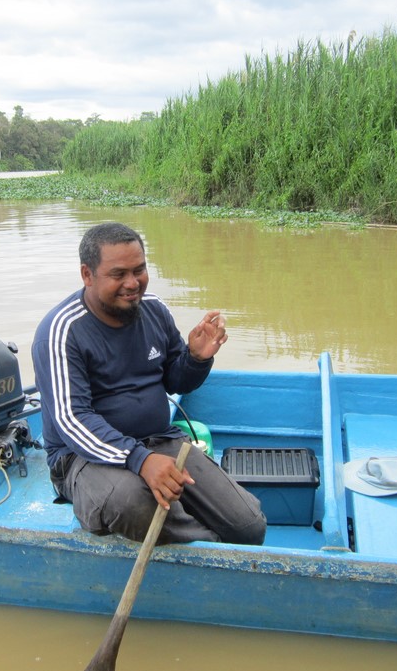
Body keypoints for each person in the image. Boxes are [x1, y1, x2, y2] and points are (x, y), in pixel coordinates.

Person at [31, 222, 267, 545]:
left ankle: (196, 535)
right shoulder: (61, 331)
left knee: (248, 524)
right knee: (134, 505)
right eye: (118, 274)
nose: (133, 283)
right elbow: (73, 422)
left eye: (139, 270)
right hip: (82, 457)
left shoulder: (154, 309)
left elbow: (174, 379)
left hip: (159, 439)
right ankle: (208, 549)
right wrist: (140, 460)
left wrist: (196, 359)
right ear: (88, 275)